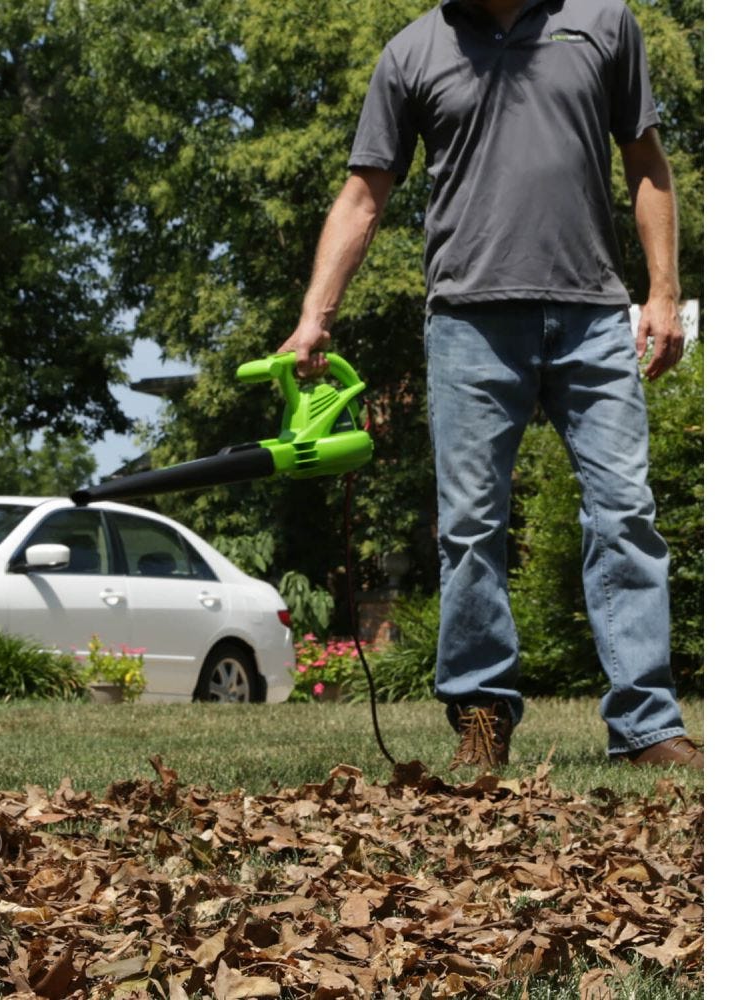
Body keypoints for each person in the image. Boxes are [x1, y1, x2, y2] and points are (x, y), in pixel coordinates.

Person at [278, 0, 702, 770]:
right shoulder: (412, 52)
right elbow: (364, 194)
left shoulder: (604, 23)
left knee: (626, 515)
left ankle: (646, 726)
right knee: (470, 526)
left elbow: (646, 161)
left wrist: (664, 293)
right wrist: (316, 315)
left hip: (594, 315)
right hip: (469, 321)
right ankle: (482, 713)